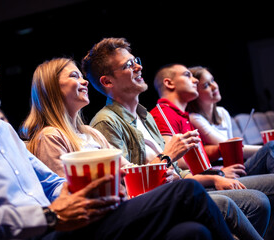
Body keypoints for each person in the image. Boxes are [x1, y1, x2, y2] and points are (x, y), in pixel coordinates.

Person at [0, 37, 234, 240]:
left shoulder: (2, 131)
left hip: (64, 228)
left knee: (191, 233)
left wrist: (97, 193)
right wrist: (48, 216)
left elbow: (53, 183)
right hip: (45, 231)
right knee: (187, 191)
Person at [82, 37, 269, 239]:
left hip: (182, 190)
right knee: (254, 200)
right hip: (166, 202)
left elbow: (178, 173)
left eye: (136, 60)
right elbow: (129, 187)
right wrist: (167, 156)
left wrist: (211, 176)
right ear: (107, 81)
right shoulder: (106, 122)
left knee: (258, 201)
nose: (138, 67)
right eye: (128, 65)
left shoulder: (145, 116)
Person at [150, 63, 274, 239]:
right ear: (170, 83)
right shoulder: (163, 114)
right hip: (200, 184)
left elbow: (195, 158)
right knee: (260, 195)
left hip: (211, 176)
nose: (194, 80)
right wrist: (219, 173)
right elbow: (175, 162)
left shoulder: (183, 115)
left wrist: (219, 170)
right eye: (187, 75)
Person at [20, 58, 132, 178]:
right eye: (74, 76)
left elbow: (128, 170)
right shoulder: (50, 136)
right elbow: (65, 190)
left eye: (82, 77)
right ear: (52, 87)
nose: (85, 82)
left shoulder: (91, 132)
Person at [187, 66, 274, 177]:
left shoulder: (222, 112)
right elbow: (230, 147)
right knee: (270, 148)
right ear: (195, 94)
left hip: (236, 165)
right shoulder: (195, 118)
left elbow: (235, 150)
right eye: (206, 85)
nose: (214, 86)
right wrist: (268, 148)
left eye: (213, 80)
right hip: (221, 172)